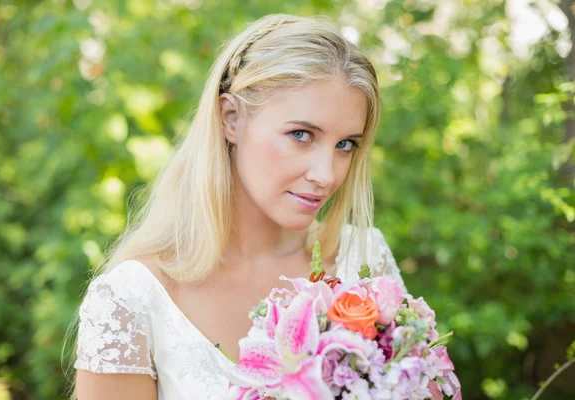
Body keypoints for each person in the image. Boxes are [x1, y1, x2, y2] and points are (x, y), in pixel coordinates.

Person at [72, 13, 405, 400]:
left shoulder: (364, 261)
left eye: (345, 144)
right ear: (232, 119)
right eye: (301, 134)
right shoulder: (132, 300)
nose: (326, 174)